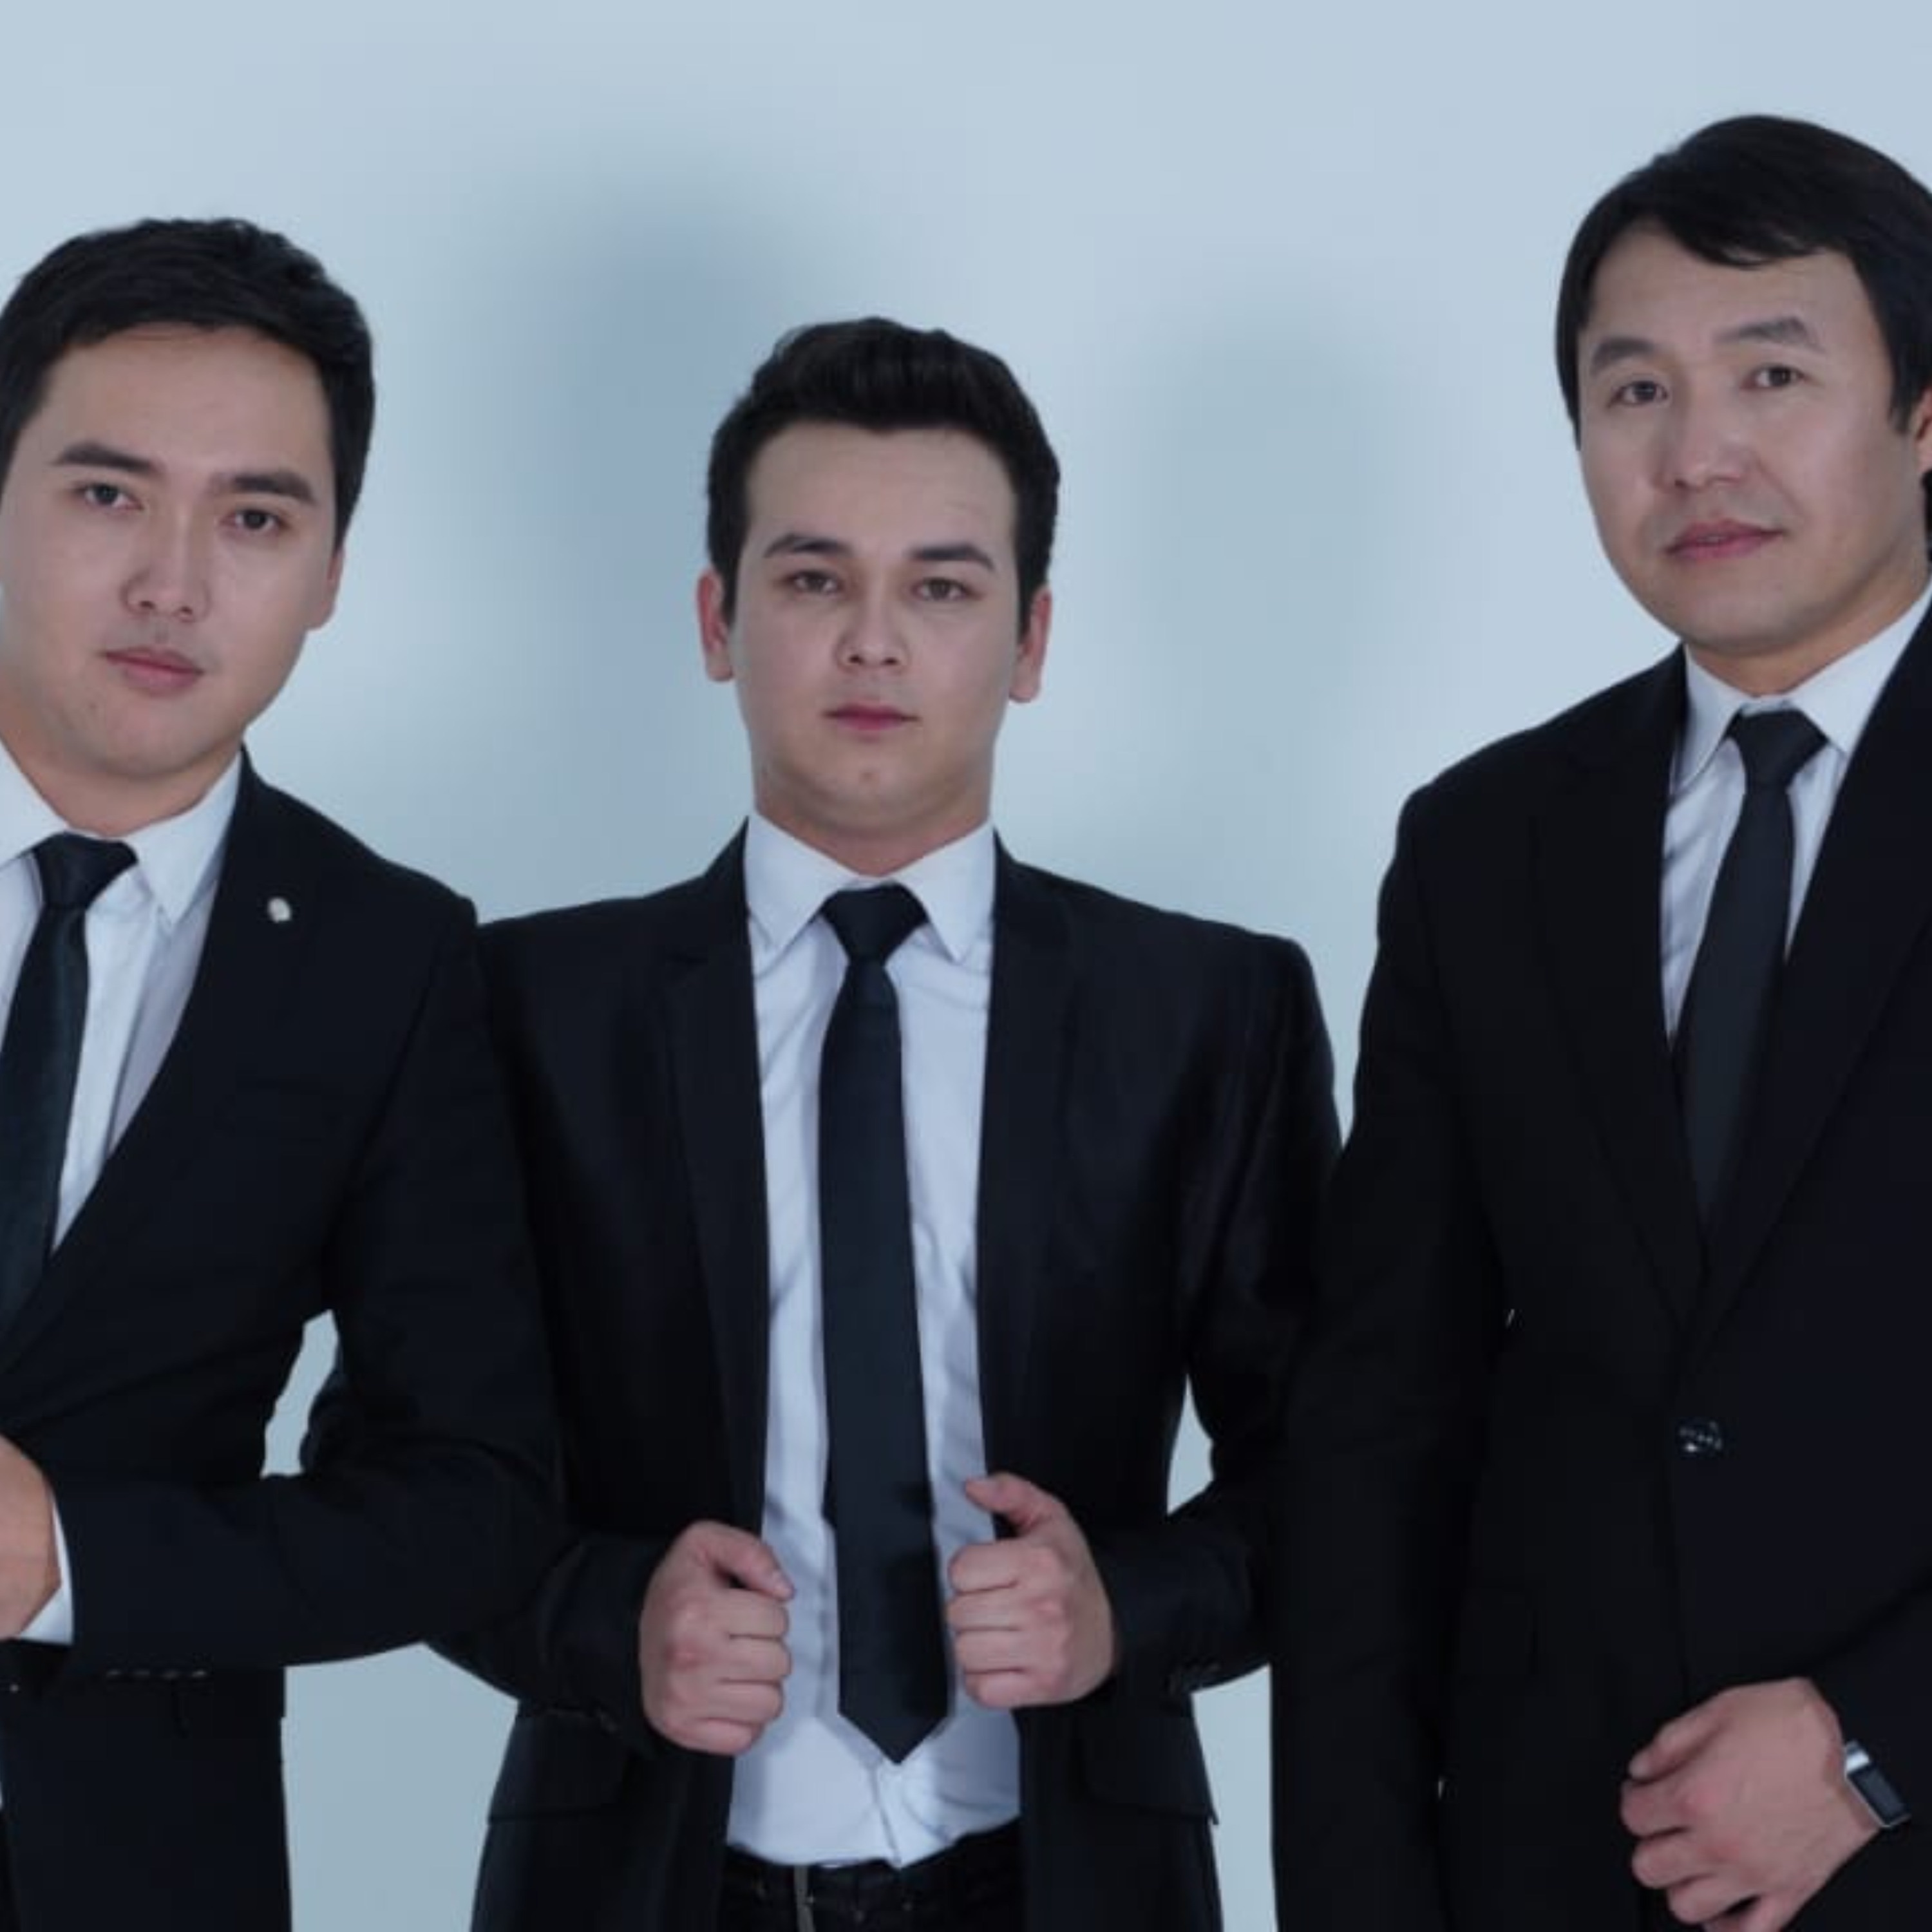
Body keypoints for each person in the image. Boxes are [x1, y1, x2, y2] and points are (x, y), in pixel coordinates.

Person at [448, 316, 1336, 1929]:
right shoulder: (532, 1009)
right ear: (718, 622)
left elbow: (1338, 1470)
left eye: (941, 588)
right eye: (812, 580)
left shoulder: (1209, 1011)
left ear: (1031, 637)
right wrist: (606, 1619)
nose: (873, 644)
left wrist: (1122, 1610)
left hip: (1067, 1880)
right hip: (643, 1882)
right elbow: (410, 1464)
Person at [1271, 115, 1932, 1932]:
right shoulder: (1488, 843)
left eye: (1772, 373)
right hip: (1552, 1861)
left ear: (1922, 413)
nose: (1695, 452)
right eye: (1633, 390)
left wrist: (1877, 1742)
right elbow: (1381, 1423)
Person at [0, 217, 554, 1931]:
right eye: (109, 493)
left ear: (328, 573)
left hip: (125, 1864)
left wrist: (71, 1562)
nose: (175, 584)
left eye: (256, 519)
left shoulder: (388, 960)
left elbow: (473, 1499)